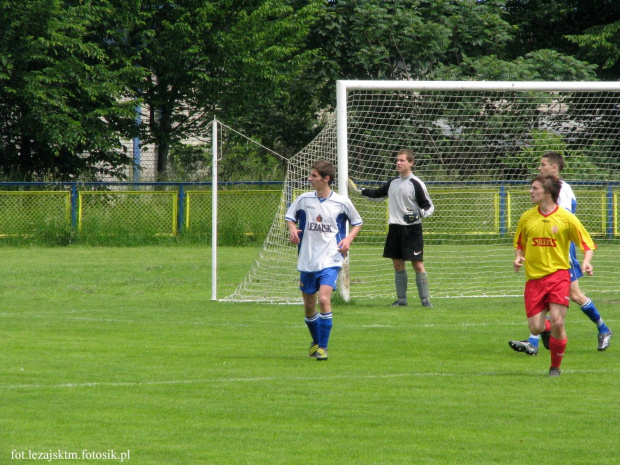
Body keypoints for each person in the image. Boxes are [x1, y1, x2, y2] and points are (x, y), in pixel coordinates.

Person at [509, 151, 612, 355]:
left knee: (572, 294)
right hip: (552, 250)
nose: (540, 168)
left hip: (563, 251)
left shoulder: (561, 190)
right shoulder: (554, 190)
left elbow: (559, 220)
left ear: (553, 168)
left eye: (543, 165)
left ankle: (603, 328)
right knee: (561, 294)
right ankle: (535, 339)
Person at [512, 174, 597, 377]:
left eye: (535, 188)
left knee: (560, 322)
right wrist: (518, 258)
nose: (530, 192)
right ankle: (546, 328)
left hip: (559, 276)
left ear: (547, 192)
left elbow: (587, 244)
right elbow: (520, 243)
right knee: (535, 327)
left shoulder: (566, 218)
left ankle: (555, 368)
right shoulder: (527, 217)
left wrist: (586, 262)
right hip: (534, 279)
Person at [285, 160, 363, 361]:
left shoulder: (341, 202)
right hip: (307, 259)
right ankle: (316, 342)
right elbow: (290, 217)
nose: (309, 179)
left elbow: (357, 222)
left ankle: (323, 348)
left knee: (323, 299)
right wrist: (293, 230)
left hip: (331, 257)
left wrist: (348, 239)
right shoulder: (304, 199)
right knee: (309, 305)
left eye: (313, 176)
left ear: (326, 179)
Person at [348, 148, 435, 307]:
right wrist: (357, 192)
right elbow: (377, 195)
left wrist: (418, 214)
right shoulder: (393, 182)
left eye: (402, 160)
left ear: (411, 163)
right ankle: (402, 301)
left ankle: (425, 301)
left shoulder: (416, 183)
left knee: (417, 264)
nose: (398, 163)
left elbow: (429, 207)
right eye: (397, 160)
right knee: (397, 265)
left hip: (412, 230)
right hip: (395, 229)